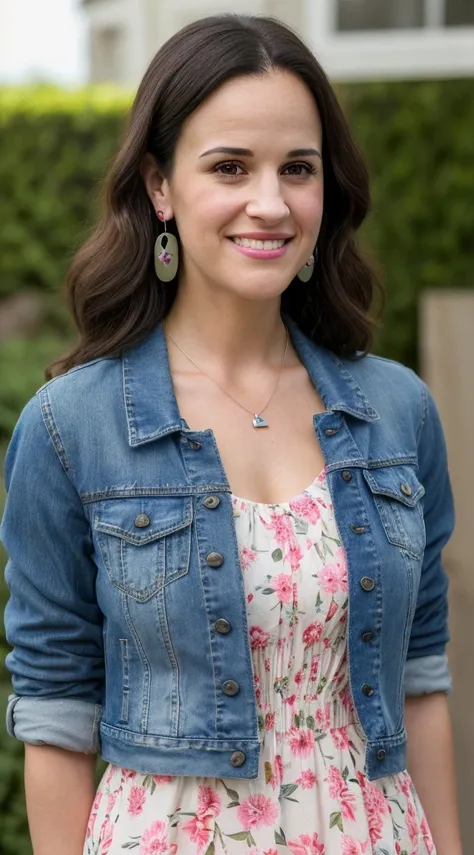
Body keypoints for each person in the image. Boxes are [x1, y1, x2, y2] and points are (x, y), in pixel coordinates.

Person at [0, 13, 463, 855]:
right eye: (230, 167)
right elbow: (57, 714)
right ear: (159, 185)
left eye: (298, 168)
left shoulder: (400, 410)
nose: (270, 203)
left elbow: (421, 680)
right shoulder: (71, 429)